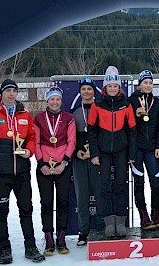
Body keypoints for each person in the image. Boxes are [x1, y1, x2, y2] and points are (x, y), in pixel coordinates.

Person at [0, 79, 45, 264]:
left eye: (14, 91)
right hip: (1, 173)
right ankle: (4, 249)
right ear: (2, 93)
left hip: (22, 171)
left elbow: (32, 136)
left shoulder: (24, 113)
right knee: (1, 212)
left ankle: (30, 247)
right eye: (8, 91)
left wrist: (29, 151)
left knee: (26, 209)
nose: (11, 94)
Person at [87, 66, 137, 238]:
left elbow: (132, 131)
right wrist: (94, 153)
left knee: (121, 185)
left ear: (119, 87)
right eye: (110, 86)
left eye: (115, 86)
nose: (113, 89)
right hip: (104, 153)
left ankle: (120, 221)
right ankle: (109, 221)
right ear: (106, 88)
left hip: (122, 152)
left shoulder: (126, 105)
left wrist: (132, 154)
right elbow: (91, 132)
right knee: (105, 187)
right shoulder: (97, 105)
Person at [34, 86, 76, 255]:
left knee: (63, 202)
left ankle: (61, 237)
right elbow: (35, 142)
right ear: (47, 101)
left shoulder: (68, 118)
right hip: (44, 166)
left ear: (61, 101)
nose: (55, 102)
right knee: (46, 203)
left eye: (57, 99)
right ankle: (48, 238)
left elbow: (72, 141)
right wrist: (41, 164)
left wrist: (64, 163)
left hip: (63, 166)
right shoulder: (38, 118)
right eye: (52, 99)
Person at [128, 70, 159, 230]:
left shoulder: (156, 103)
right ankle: (143, 215)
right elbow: (126, 125)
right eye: (145, 82)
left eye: (150, 83)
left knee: (156, 182)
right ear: (139, 84)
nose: (148, 85)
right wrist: (134, 115)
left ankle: (155, 213)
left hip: (152, 149)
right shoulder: (131, 101)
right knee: (139, 183)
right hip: (136, 149)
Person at [70, 78, 101, 246]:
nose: (87, 92)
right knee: (82, 196)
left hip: (97, 159)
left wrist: (95, 153)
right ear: (80, 92)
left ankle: (102, 229)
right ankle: (83, 231)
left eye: (89, 89)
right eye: (84, 89)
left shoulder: (101, 109)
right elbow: (70, 138)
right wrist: (77, 152)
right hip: (79, 159)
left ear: (94, 91)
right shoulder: (74, 112)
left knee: (100, 194)